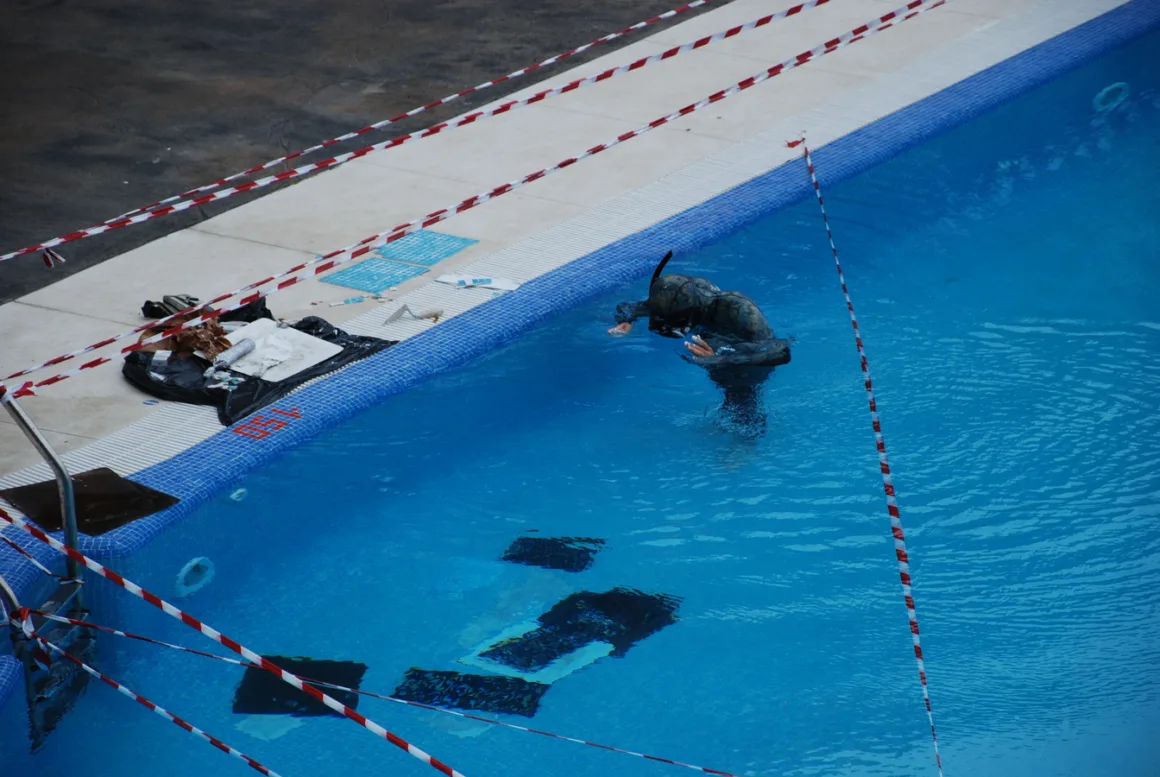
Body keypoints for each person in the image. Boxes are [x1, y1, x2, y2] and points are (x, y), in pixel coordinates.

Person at [608, 251, 791, 437]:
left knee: (739, 388)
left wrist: (722, 359)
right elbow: (630, 307)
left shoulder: (741, 309)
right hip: (714, 342)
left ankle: (747, 438)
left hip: (748, 351)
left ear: (690, 312)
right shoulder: (673, 295)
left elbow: (780, 353)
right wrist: (626, 321)